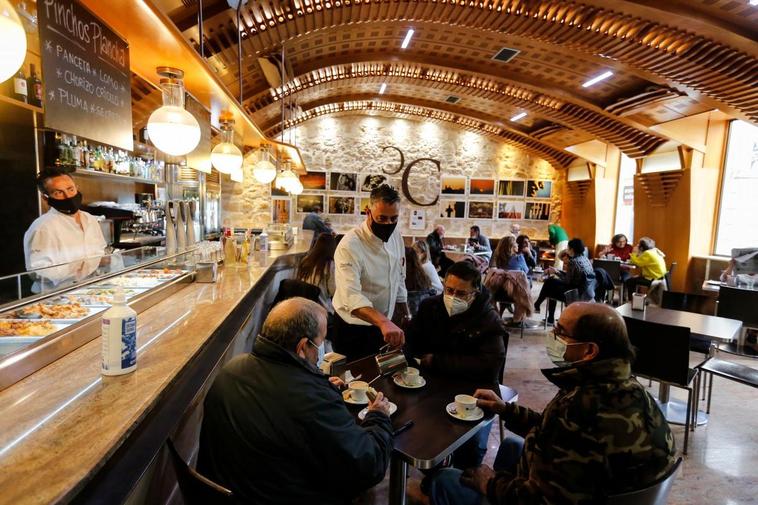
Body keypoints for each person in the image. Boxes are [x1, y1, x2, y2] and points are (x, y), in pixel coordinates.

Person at [428, 302, 677, 505]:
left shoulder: (580, 407)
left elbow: (540, 500)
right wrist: (506, 410)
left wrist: (489, 483)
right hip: (600, 488)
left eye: (561, 331)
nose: (552, 336)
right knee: (511, 447)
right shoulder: (628, 387)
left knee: (445, 479)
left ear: (589, 351)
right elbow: (558, 433)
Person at [198, 298, 393, 504]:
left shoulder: (232, 369)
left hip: (221, 492)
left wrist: (319, 386)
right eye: (320, 343)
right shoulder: (311, 400)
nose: (320, 352)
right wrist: (378, 416)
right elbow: (369, 466)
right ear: (302, 346)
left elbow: (281, 404)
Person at [406, 261, 508, 470]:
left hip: (475, 389)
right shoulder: (430, 307)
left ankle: (456, 480)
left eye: (461, 294)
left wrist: (437, 361)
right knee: (417, 430)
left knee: (471, 448)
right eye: (449, 290)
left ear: (475, 293)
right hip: (433, 383)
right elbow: (413, 343)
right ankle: (434, 471)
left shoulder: (489, 319)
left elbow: (488, 366)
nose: (453, 298)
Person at [332, 185, 410, 360]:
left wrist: (405, 313)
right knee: (351, 382)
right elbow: (350, 296)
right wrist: (383, 321)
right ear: (368, 212)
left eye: (393, 219)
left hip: (384, 325)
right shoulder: (350, 245)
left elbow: (399, 277)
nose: (388, 224)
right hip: (353, 328)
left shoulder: (396, 236)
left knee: (380, 381)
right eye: (382, 218)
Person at [23, 168, 107, 286]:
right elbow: (36, 273)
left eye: (70, 189)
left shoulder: (90, 219)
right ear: (45, 198)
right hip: (54, 295)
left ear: (76, 187)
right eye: (59, 192)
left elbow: (100, 250)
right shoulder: (43, 227)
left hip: (87, 288)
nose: (68, 196)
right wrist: (73, 268)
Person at [534, 238, 596, 324]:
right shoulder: (585, 259)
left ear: (572, 249)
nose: (567, 250)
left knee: (550, 285)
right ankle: (539, 306)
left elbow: (567, 281)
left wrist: (556, 272)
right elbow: (572, 277)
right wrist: (557, 271)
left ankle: (540, 308)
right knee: (551, 283)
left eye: (568, 248)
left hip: (575, 294)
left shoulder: (573, 262)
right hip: (587, 293)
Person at [296, 233, 337, 313]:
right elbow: (333, 291)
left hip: (303, 307)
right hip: (321, 309)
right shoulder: (329, 266)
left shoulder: (305, 260)